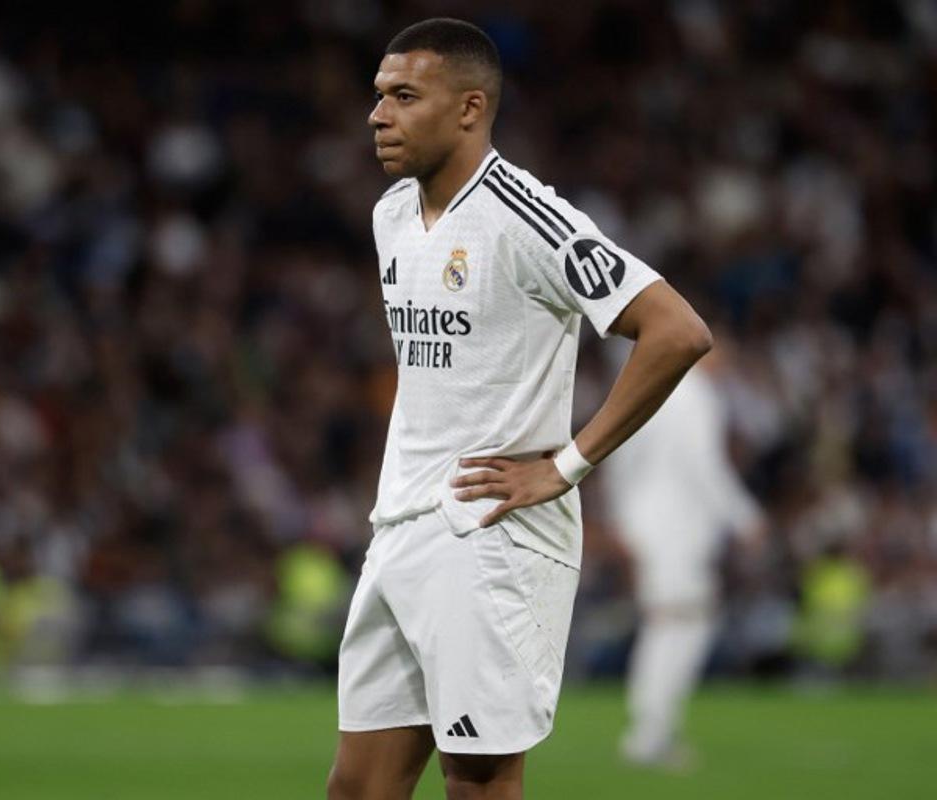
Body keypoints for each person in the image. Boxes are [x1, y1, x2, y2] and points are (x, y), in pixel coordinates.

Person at [326, 18, 714, 800]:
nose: (378, 115)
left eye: (404, 96)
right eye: (379, 95)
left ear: (470, 108)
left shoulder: (527, 217)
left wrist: (566, 466)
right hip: (399, 524)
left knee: (476, 783)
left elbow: (677, 331)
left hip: (489, 538)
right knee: (357, 789)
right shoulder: (391, 215)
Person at [601, 341, 767, 771]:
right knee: (680, 624)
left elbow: (618, 455)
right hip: (676, 529)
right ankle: (649, 734)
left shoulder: (652, 388)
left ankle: (651, 728)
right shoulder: (695, 397)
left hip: (649, 524)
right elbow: (704, 467)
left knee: (671, 622)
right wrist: (745, 518)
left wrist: (621, 518)